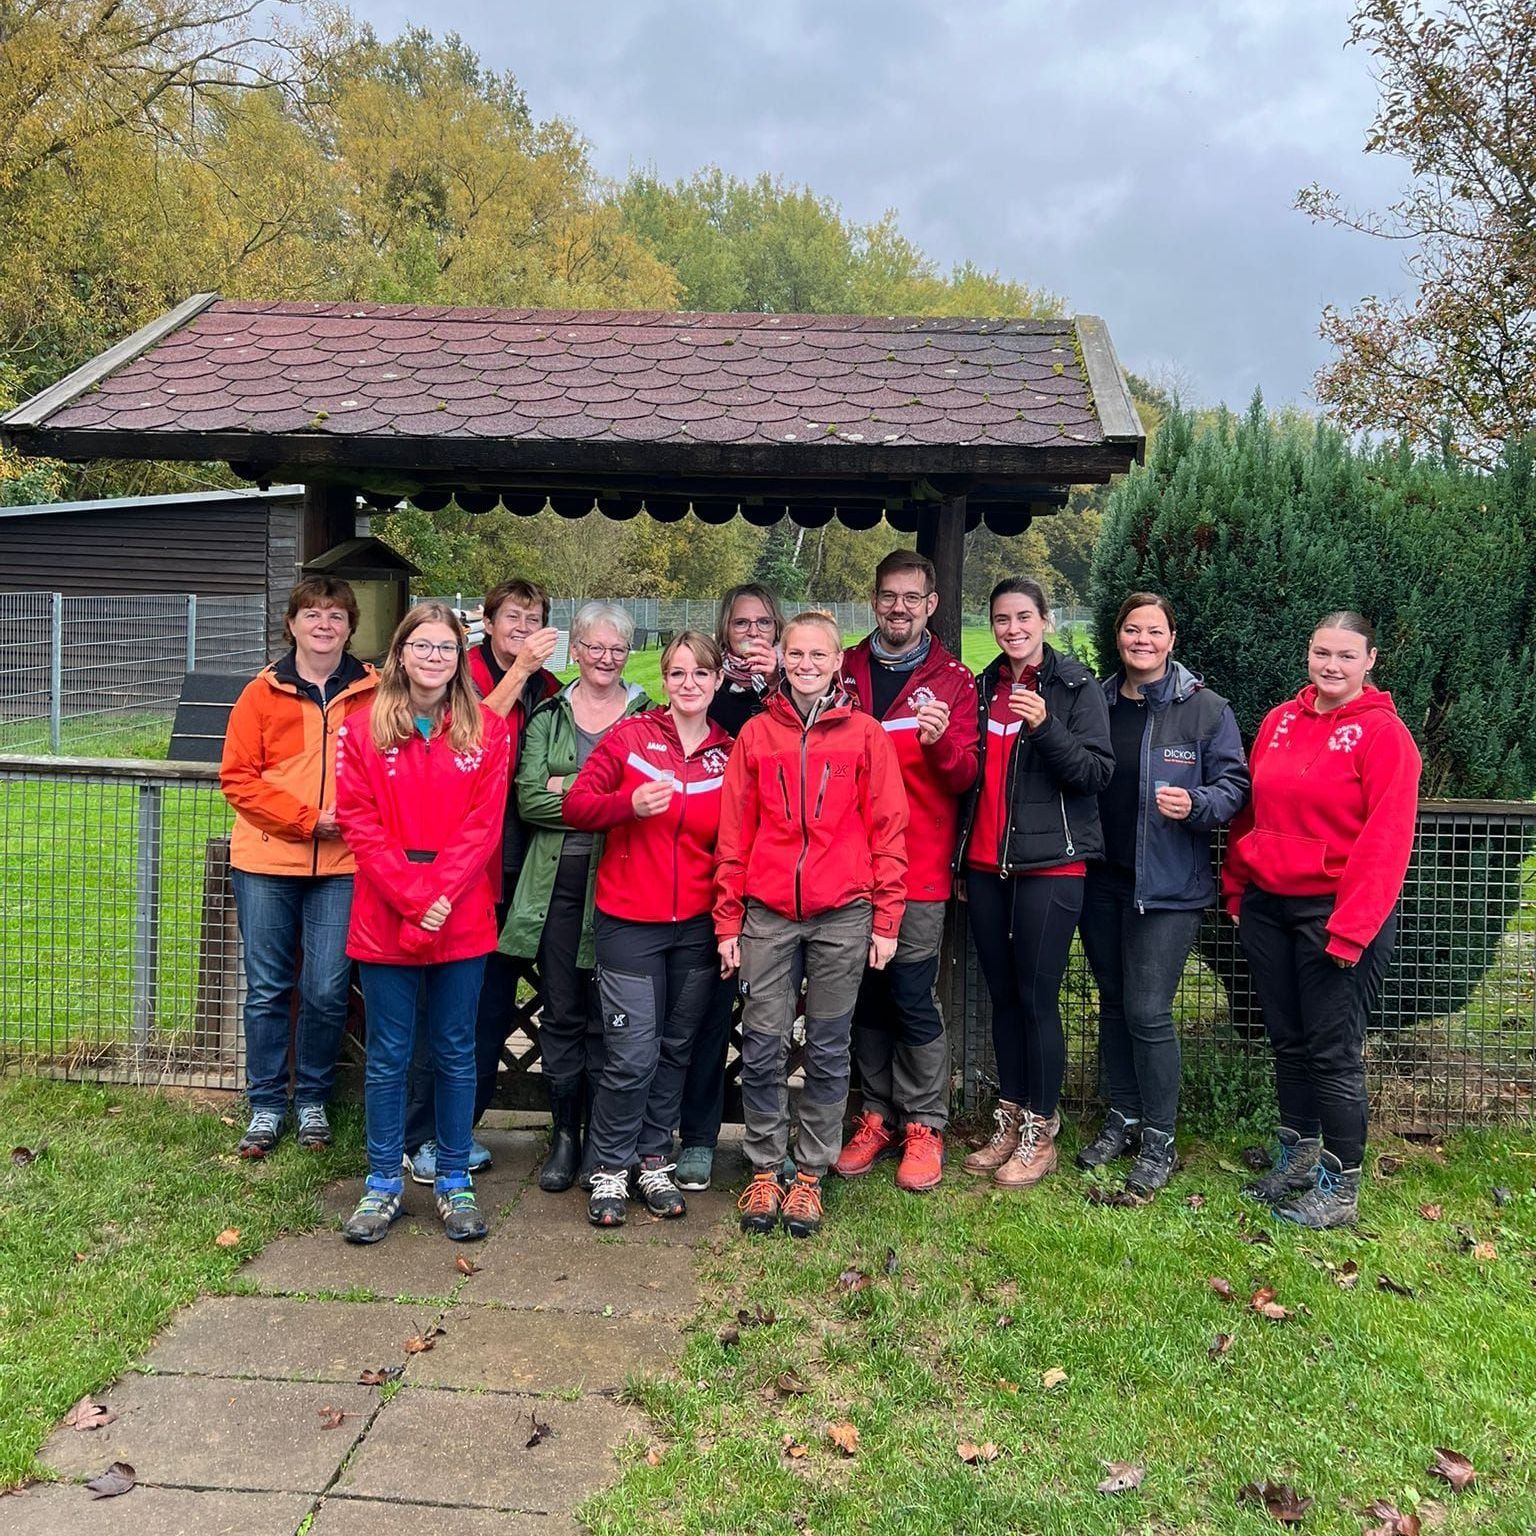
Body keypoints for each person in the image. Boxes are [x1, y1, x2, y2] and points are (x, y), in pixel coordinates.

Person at [1222, 612, 1421, 1228]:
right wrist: (1238, 888)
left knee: (1332, 1052)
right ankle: (1298, 1159)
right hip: (1268, 904)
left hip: (1335, 915)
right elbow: (1252, 810)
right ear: (1308, 654)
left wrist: (1352, 929)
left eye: (1346, 655)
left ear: (1370, 661)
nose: (1331, 666)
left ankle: (1340, 1187)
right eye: (1321, 653)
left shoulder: (1385, 736)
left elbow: (1386, 841)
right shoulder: (1279, 721)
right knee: (1288, 1042)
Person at [716, 610, 909, 1239]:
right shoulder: (756, 734)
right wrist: (728, 919)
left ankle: (810, 1172)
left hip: (843, 913)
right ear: (781, 658)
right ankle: (764, 1166)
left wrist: (887, 917)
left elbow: (888, 830)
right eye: (795, 654)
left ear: (836, 662)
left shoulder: (865, 735)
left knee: (828, 1046)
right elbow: (734, 833)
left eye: (817, 655)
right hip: (768, 914)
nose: (805, 665)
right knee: (762, 1043)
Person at [333, 603, 510, 1244]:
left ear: (460, 658)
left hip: (461, 911)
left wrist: (438, 895)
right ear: (401, 653)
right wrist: (414, 897)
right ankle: (383, 1180)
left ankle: (454, 1176)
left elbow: (483, 826)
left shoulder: (488, 729)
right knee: (388, 1054)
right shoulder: (361, 729)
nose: (434, 658)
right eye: (423, 646)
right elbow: (359, 822)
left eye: (446, 648)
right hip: (385, 909)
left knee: (456, 1050)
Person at [1076, 593, 1249, 1195]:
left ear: (1172, 639)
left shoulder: (1204, 710)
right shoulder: (1097, 702)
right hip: (1103, 879)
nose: (1142, 640)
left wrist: (1197, 803)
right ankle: (1122, 1116)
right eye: (1132, 629)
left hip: (1169, 887)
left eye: (1154, 631)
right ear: (1117, 636)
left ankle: (1159, 1137)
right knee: (1114, 1002)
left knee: (1148, 1011)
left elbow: (1235, 786)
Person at [564, 632, 734, 1226]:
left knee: (675, 1050)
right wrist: (627, 806)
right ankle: (609, 1167)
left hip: (696, 928)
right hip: (630, 924)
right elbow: (576, 805)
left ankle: (653, 1159)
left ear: (718, 682)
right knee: (632, 1055)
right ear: (663, 680)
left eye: (702, 674)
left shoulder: (728, 752)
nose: (690, 684)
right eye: (678, 673)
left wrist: (727, 922)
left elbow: (736, 844)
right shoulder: (631, 737)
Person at [402, 578, 561, 1184]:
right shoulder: (459, 673)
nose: (523, 627)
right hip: (458, 864)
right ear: (487, 623)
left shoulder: (548, 688)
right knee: (443, 1009)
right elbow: (466, 740)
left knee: (491, 1007)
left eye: (534, 617)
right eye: (512, 616)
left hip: (519, 865)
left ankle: (456, 1131)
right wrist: (518, 671)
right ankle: (417, 1135)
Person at [958, 577, 1113, 1189]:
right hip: (986, 866)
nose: (1013, 628)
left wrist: (1047, 726)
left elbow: (1095, 774)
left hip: (1053, 866)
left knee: (1036, 996)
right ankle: (1011, 1116)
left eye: (1024, 616)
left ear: (1045, 620)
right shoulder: (982, 688)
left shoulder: (1076, 688)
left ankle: (1040, 1130)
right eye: (1002, 619)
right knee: (1002, 996)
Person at [835, 550, 979, 1191]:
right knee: (865, 990)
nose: (899, 608)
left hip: (917, 864)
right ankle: (876, 1115)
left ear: (931, 604)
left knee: (912, 990)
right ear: (874, 600)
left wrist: (939, 743)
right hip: (848, 863)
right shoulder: (844, 669)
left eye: (911, 597)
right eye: (889, 596)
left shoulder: (953, 681)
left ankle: (924, 1122)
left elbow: (966, 775)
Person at [220, 577, 378, 1158]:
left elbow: (396, 765)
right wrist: (309, 821)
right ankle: (265, 1103)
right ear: (292, 624)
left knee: (328, 988)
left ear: (350, 627)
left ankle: (312, 1098)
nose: (324, 624)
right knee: (268, 987)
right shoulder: (261, 694)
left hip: (344, 864)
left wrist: (350, 820)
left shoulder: (375, 693)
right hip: (268, 859)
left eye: (336, 615)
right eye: (312, 614)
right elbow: (238, 779)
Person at [499, 602, 651, 1193]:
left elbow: (648, 796)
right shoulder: (549, 715)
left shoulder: (646, 717)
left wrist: (573, 788)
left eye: (617, 648)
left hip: (622, 884)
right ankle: (565, 1134)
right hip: (557, 888)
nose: (606, 658)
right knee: (562, 1011)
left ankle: (605, 1140)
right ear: (577, 650)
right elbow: (529, 799)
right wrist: (607, 802)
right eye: (595, 647)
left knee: (612, 1018)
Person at [674, 583, 787, 1192]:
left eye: (763, 623)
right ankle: (696, 1135)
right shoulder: (708, 690)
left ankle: (775, 1141)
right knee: (705, 1013)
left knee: (773, 1021)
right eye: (742, 623)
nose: (752, 633)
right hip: (710, 870)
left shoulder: (792, 687)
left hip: (777, 874)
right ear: (724, 630)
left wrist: (773, 684)